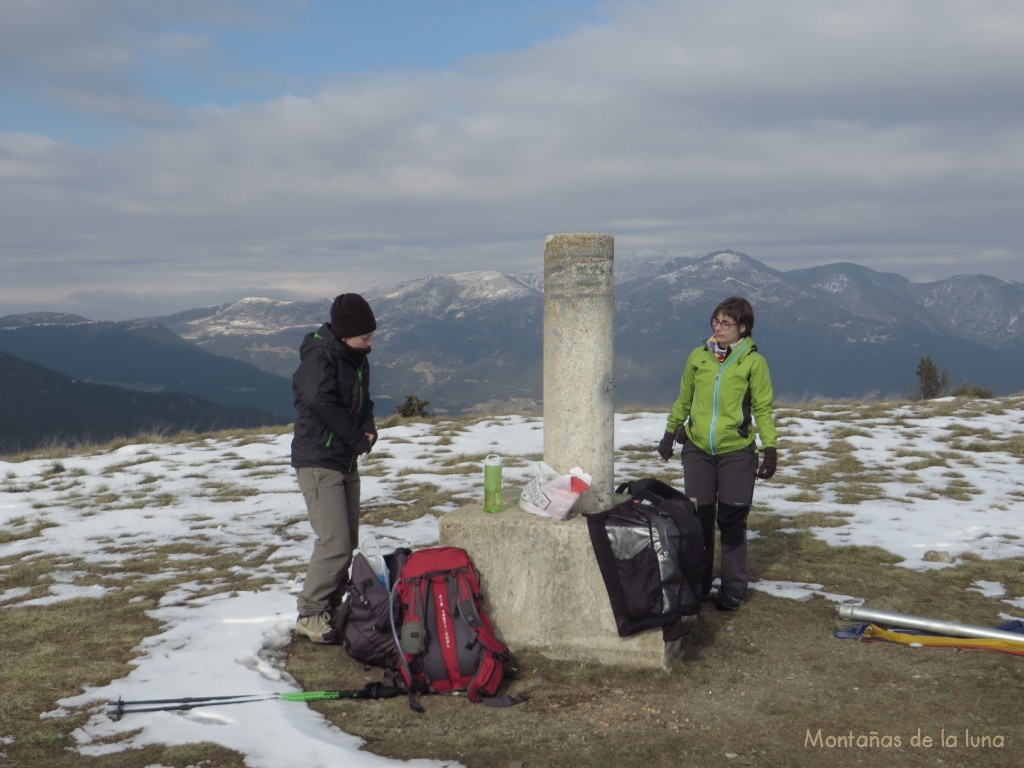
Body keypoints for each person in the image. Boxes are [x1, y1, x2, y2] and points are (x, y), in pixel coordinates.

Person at [657, 296, 777, 612]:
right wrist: (671, 433)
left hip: (737, 452)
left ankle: (733, 588)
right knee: (699, 521)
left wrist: (770, 448)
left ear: (743, 327)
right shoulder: (698, 357)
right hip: (697, 450)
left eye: (726, 323)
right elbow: (684, 398)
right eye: (716, 321)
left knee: (732, 521)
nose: (718, 328)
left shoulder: (753, 362)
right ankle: (698, 585)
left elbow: (763, 408)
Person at [291, 293, 379, 643]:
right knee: (335, 543)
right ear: (344, 334)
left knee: (348, 541)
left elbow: (363, 400)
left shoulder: (356, 357)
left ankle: (331, 606)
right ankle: (310, 613)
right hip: (319, 461)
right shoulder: (320, 357)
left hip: (344, 460)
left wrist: (368, 425)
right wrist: (356, 440)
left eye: (372, 336)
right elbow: (319, 402)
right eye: (365, 337)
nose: (371, 343)